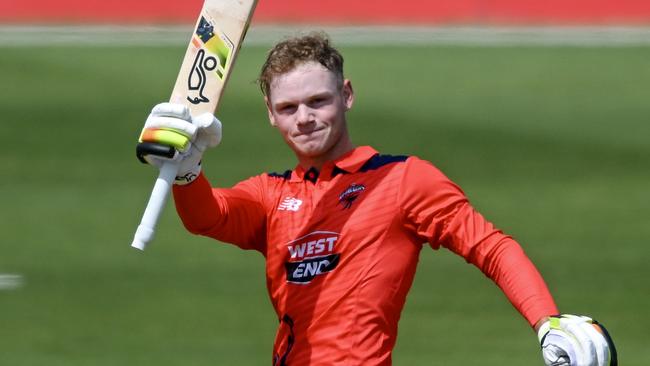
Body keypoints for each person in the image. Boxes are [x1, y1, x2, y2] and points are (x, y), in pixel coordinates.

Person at [136, 33, 617, 365]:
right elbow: (209, 217)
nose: (304, 118)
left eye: (318, 101)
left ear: (346, 95)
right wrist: (187, 172)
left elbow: (491, 247)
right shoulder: (271, 194)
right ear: (270, 115)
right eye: (288, 108)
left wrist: (546, 320)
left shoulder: (403, 180)